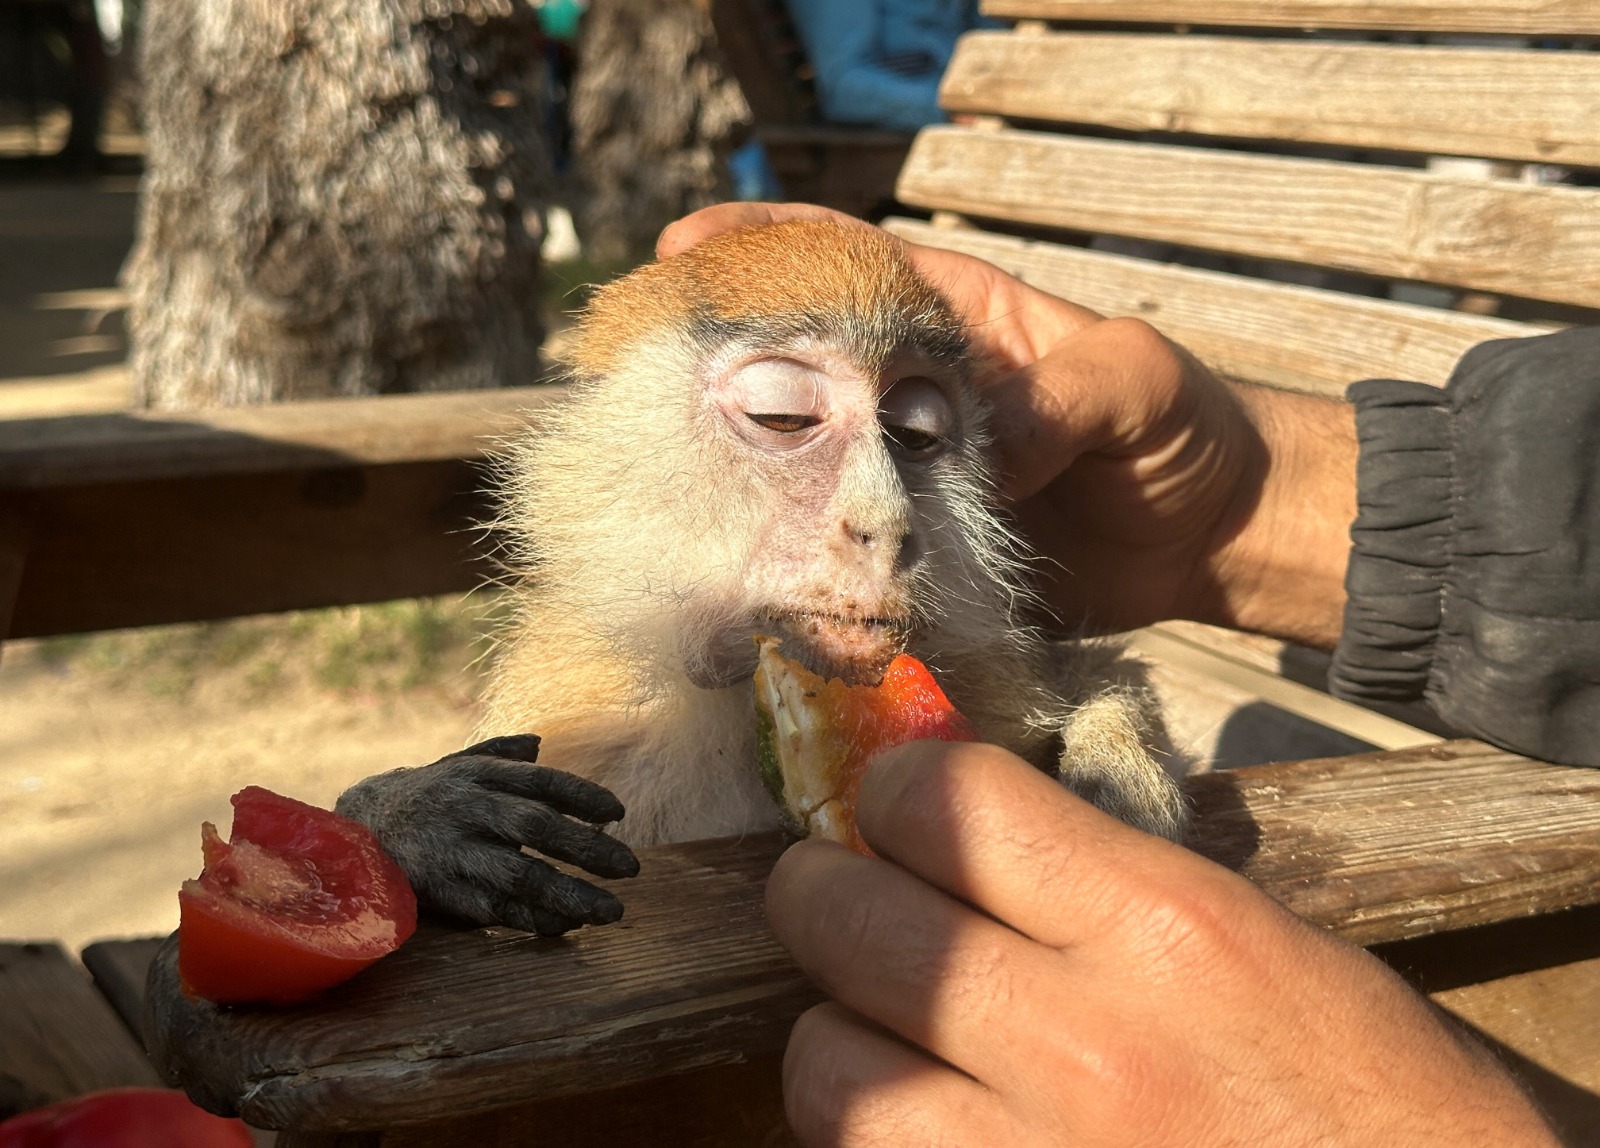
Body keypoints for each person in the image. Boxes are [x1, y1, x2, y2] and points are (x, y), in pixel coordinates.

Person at [658, 202, 1598, 1145]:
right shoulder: (558, 706)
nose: (884, 513)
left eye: (917, 429)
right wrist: (1250, 504)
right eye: (782, 412)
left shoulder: (998, 683)